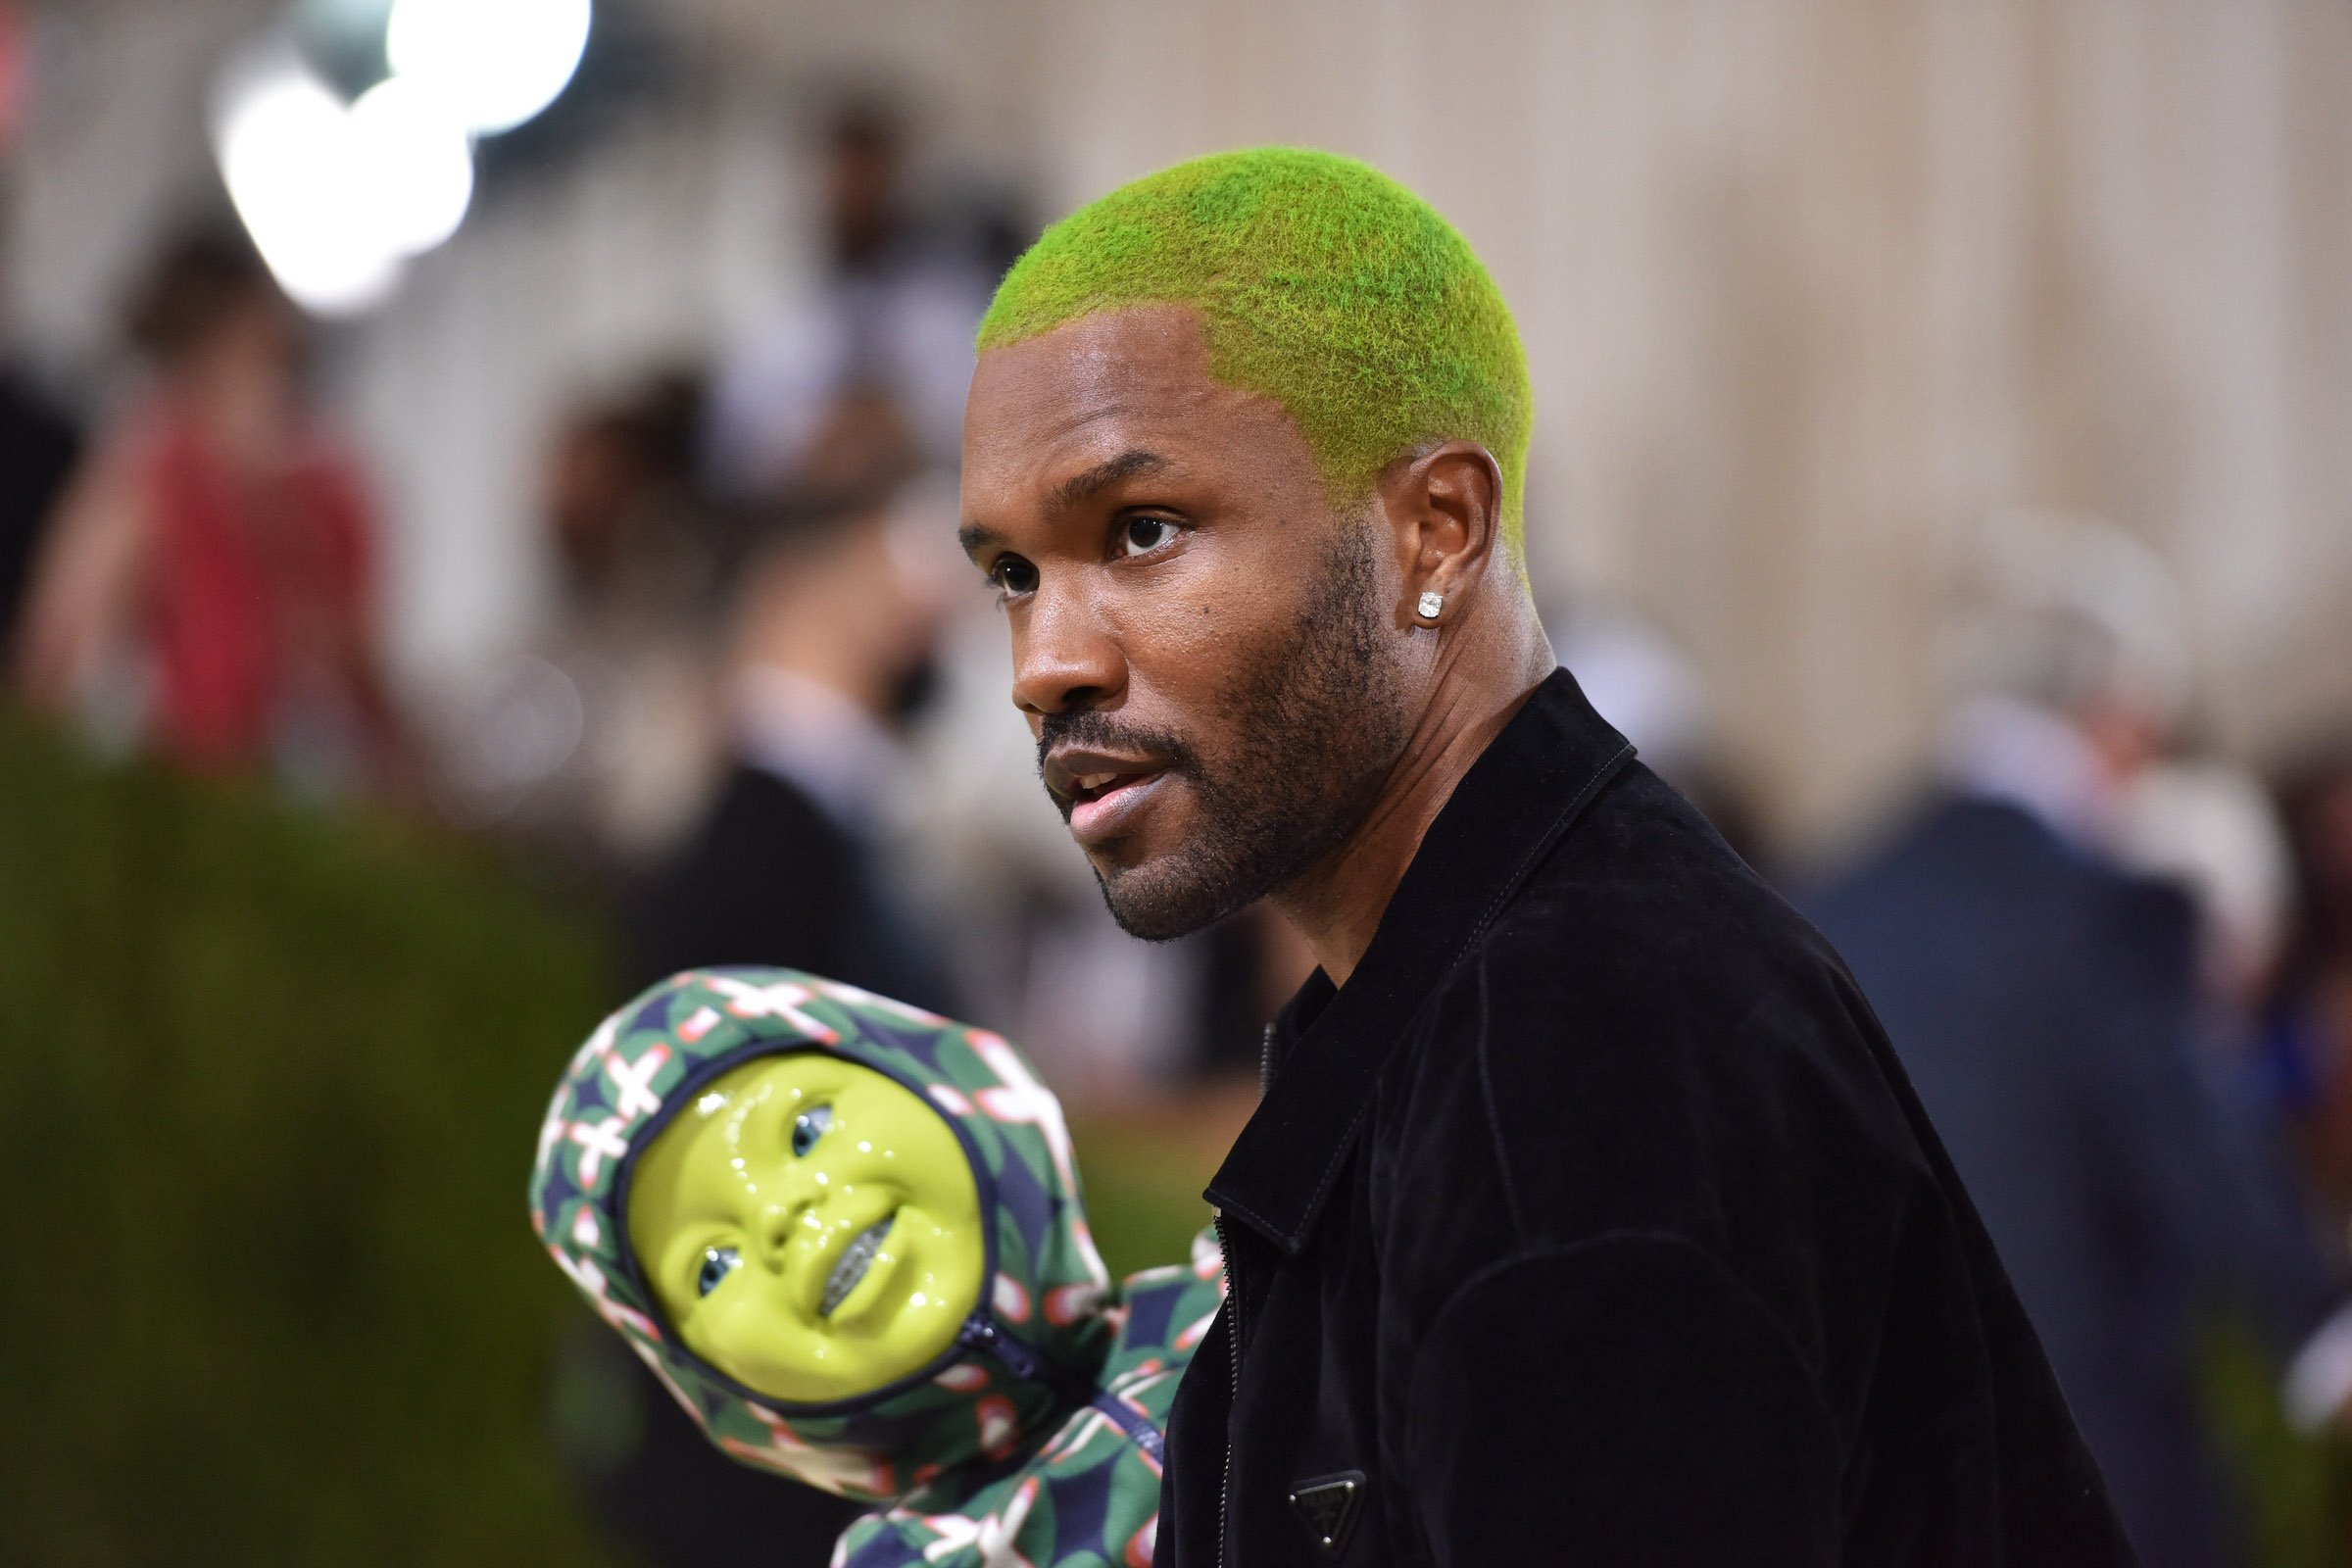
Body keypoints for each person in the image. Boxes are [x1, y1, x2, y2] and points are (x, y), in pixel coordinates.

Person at [955, 148, 2132, 1563]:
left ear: (1435, 531)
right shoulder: (1498, 1002)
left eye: (1140, 533)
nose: (1045, 665)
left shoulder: (1579, 1065)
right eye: (1012, 574)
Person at [529, 966, 1221, 1565]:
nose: (778, 1216)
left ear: (946, 1086)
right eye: (711, 1268)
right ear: (709, 1384)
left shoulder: (1259, 1295)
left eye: (806, 1130)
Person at [12, 226, 407, 797]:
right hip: (200, 790)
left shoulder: (319, 490)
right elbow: (63, 654)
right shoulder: (155, 473)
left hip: (259, 794)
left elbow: (57, 652)